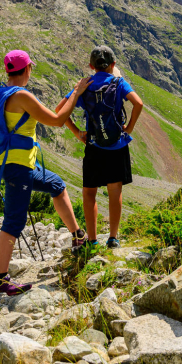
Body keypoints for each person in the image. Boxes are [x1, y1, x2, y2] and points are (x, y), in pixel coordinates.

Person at [0, 50, 90, 296]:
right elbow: (56, 120)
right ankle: (1, 280)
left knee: (57, 186)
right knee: (14, 221)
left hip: (13, 164)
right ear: (27, 70)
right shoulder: (21, 95)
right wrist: (76, 94)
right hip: (18, 167)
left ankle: (78, 236)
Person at [58, 46, 143, 249]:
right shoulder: (118, 82)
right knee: (115, 191)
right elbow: (138, 104)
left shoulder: (85, 85)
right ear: (113, 65)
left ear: (91, 66)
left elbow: (60, 109)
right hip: (117, 145)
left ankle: (92, 240)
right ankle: (113, 238)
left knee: (89, 193)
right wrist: (128, 129)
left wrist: (78, 132)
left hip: (94, 146)